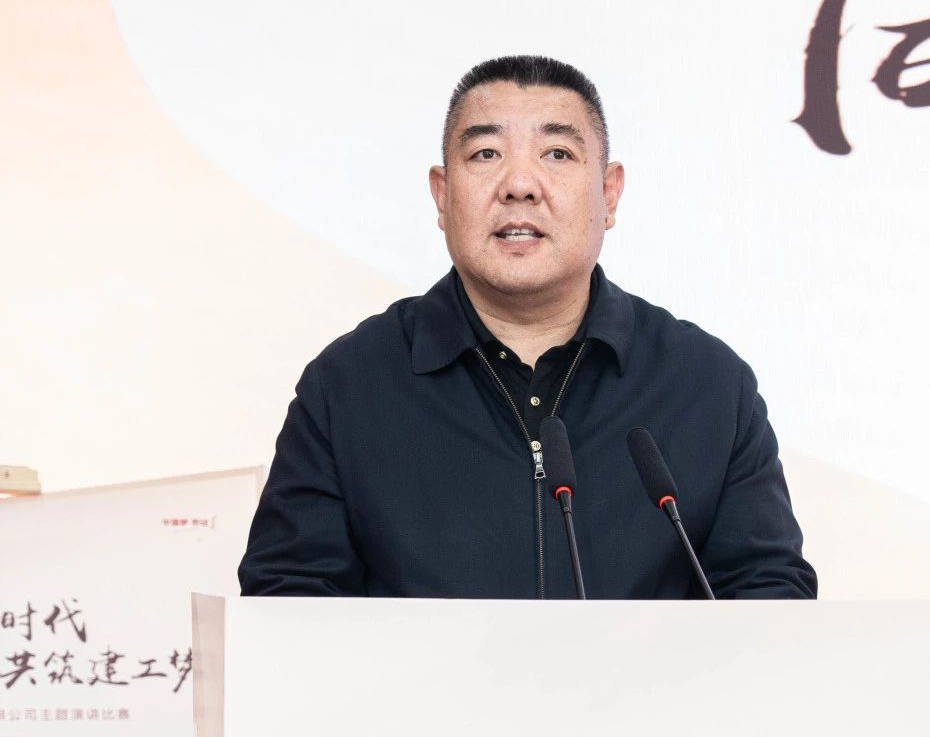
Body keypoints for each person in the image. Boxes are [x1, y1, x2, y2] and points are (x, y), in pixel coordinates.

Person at [238, 55, 816, 599]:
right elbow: (286, 606)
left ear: (609, 193)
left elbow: (768, 599)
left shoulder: (707, 386)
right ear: (442, 195)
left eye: (557, 153)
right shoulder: (349, 386)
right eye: (486, 153)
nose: (520, 184)